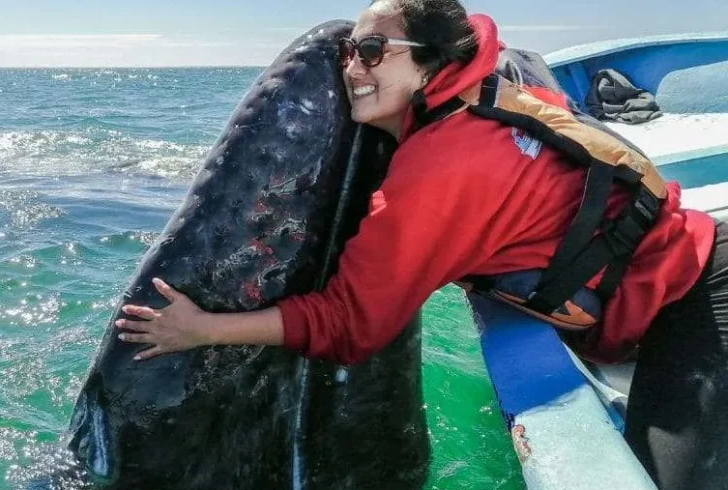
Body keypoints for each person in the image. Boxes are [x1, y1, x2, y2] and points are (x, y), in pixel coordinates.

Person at [113, 1, 727, 488]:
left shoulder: (437, 171)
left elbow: (351, 324)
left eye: (375, 52)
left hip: (698, 295)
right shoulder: (485, 99)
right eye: (352, 51)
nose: (353, 67)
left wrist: (200, 331)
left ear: (431, 64)